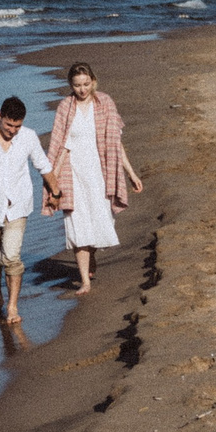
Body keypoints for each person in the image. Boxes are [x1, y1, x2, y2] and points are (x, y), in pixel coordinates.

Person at [44, 62, 142, 293]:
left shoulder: (105, 102)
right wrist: (53, 183)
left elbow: (116, 143)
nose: (82, 89)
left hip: (100, 174)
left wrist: (131, 173)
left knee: (101, 222)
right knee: (77, 226)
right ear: (71, 85)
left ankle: (92, 256)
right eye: (77, 85)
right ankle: (85, 281)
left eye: (86, 84)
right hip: (73, 174)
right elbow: (59, 148)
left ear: (93, 81)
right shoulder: (65, 107)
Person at [0, 94, 57, 324]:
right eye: (9, 125)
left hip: (18, 205)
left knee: (12, 257)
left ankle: (13, 307)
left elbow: (43, 166)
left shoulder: (28, 137)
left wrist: (55, 193)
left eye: (17, 126)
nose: (13, 130)